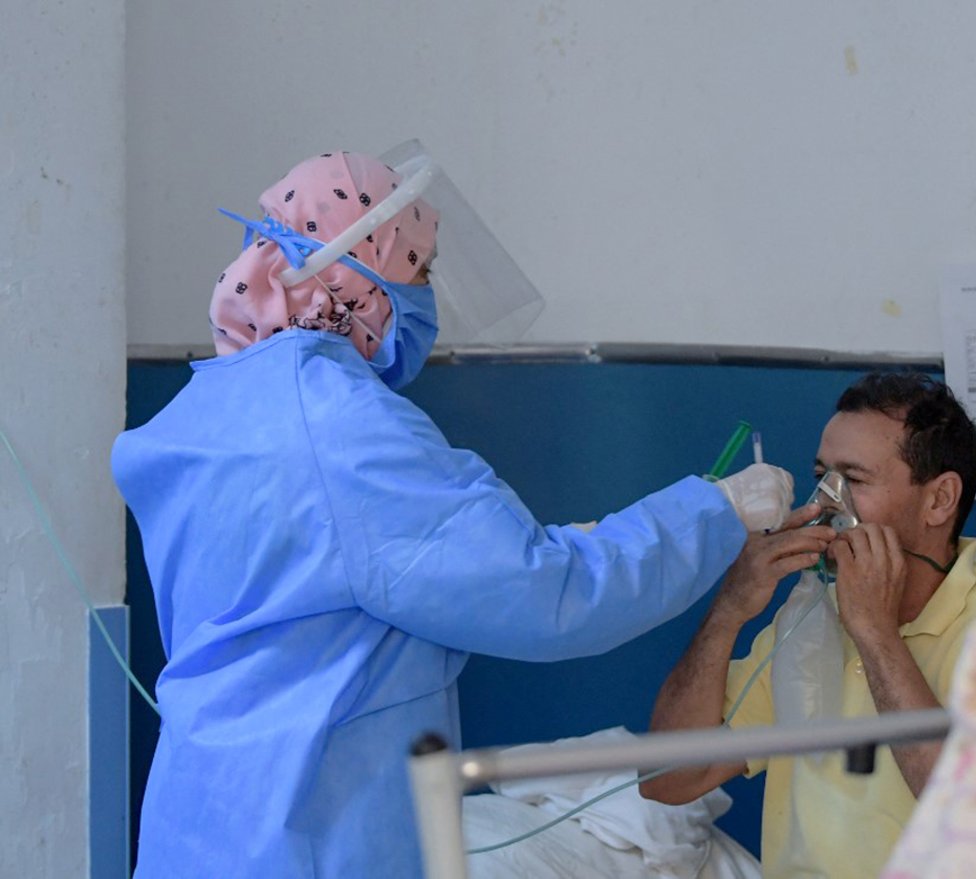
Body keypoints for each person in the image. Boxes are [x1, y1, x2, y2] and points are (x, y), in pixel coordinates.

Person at [111, 150, 795, 879]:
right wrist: (714, 509)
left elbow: (333, 578)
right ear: (358, 275)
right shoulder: (346, 427)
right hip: (315, 830)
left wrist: (560, 541)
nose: (424, 296)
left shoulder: (209, 413)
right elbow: (552, 596)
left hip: (204, 821)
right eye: (421, 270)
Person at [640, 372, 976, 879]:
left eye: (853, 480)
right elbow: (668, 781)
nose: (824, 503)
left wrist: (875, 634)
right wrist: (728, 612)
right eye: (822, 476)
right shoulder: (812, 620)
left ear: (940, 500)